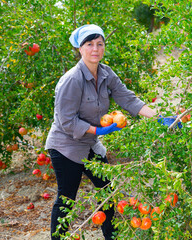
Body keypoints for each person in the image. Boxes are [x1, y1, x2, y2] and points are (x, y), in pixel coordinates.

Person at [45, 24, 157, 240]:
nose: (95, 49)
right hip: (66, 146)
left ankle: (111, 236)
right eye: (89, 44)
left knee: (107, 192)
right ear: (80, 48)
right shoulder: (72, 80)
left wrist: (159, 117)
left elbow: (128, 99)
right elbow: (66, 121)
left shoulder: (106, 73)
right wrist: (99, 129)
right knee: (67, 197)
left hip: (90, 144)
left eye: (99, 44)